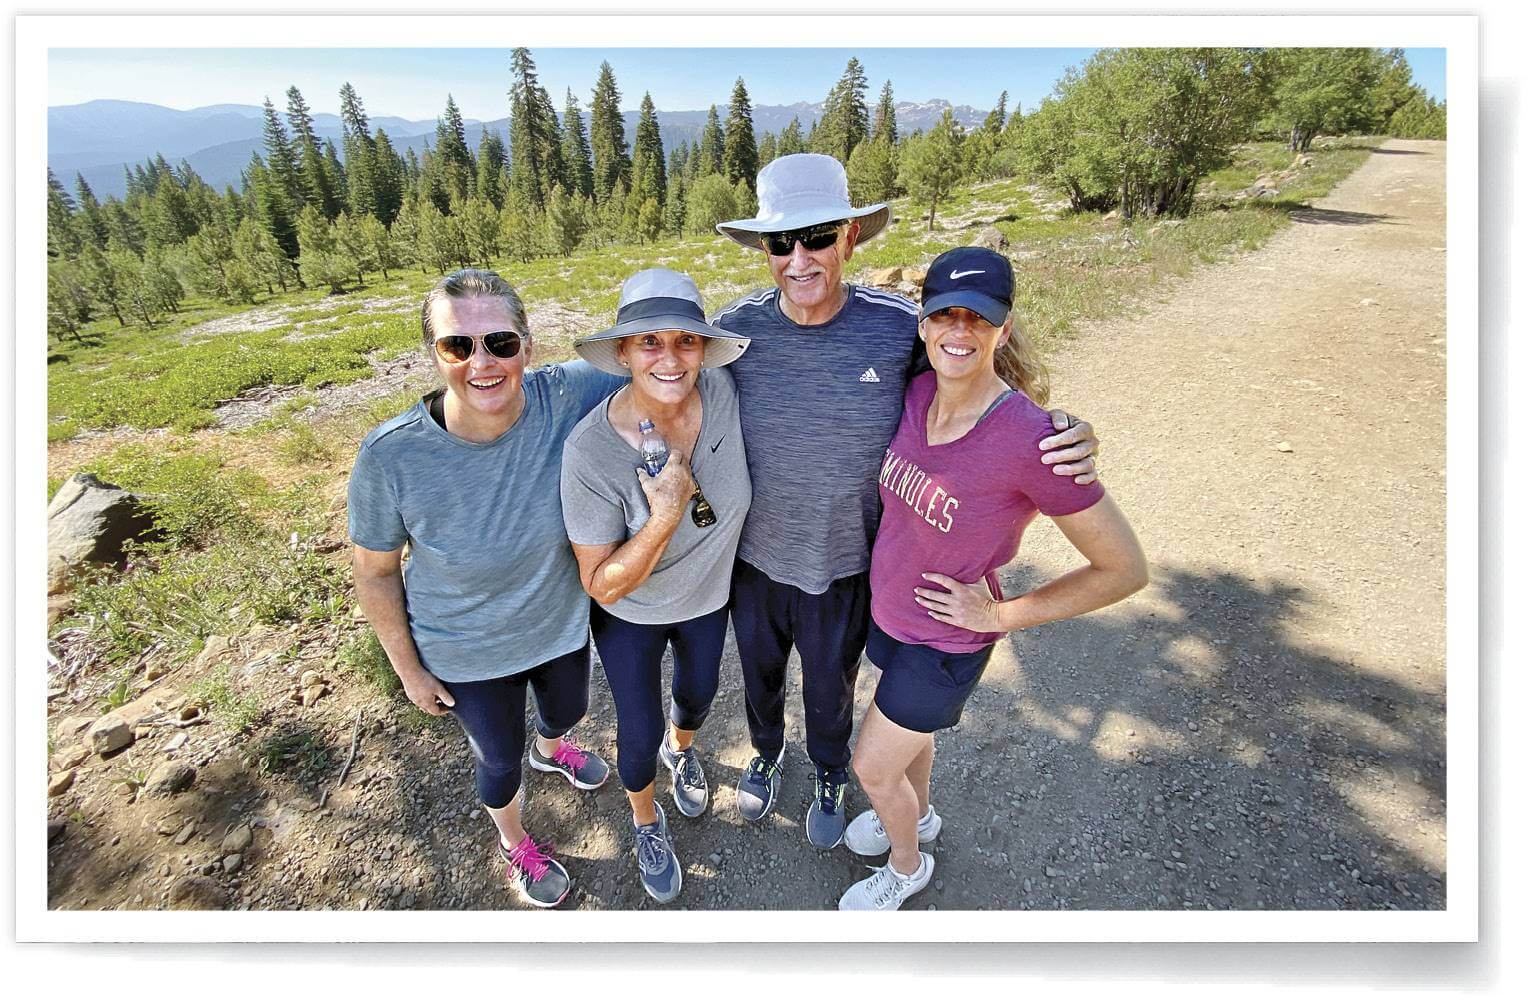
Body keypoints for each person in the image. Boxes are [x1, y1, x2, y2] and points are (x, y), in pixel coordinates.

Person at [711, 155, 1101, 850]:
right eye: (781, 243)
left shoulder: (896, 327)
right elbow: (663, 381)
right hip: (756, 558)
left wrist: (1063, 426)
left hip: (852, 560)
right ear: (765, 251)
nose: (799, 259)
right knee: (761, 677)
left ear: (851, 239)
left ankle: (831, 770)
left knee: (831, 689)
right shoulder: (736, 333)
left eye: (819, 237)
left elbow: (977, 377)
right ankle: (767, 753)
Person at [837, 247, 1148, 911]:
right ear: (923, 324)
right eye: (944, 314)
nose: (959, 330)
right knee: (909, 742)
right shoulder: (918, 391)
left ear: (1003, 330)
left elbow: (1123, 569)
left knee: (871, 765)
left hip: (947, 642)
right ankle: (917, 818)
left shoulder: (1033, 442)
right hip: (892, 615)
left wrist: (1004, 617)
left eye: (977, 320)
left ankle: (906, 864)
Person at [347, 269, 626, 909]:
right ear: (434, 356)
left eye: (499, 342)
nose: (482, 363)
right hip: (465, 650)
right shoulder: (390, 457)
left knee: (567, 714)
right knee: (497, 760)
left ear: (527, 346)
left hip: (557, 625)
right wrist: (409, 671)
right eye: (458, 346)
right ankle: (514, 844)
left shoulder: (568, 394)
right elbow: (376, 570)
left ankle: (554, 751)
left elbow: (657, 358)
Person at [559, 269, 753, 903]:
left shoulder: (723, 389)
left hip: (709, 600)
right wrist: (665, 514)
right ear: (622, 352)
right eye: (649, 342)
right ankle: (645, 819)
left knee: (697, 694)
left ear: (704, 348)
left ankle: (685, 748)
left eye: (686, 341)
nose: (671, 359)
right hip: (632, 614)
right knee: (637, 734)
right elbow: (600, 584)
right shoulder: (589, 453)